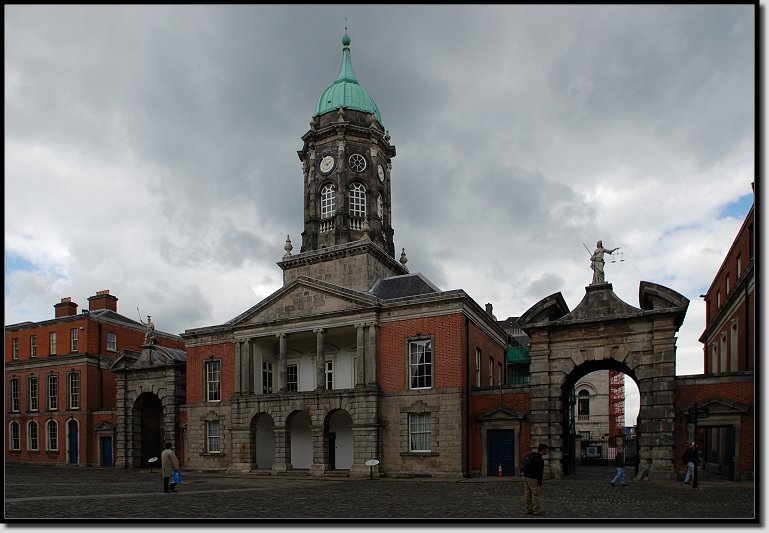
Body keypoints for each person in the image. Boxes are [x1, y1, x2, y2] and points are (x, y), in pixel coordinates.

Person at [522, 443, 549, 516]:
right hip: (533, 478)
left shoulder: (532, 455)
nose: (547, 451)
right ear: (542, 450)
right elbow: (540, 473)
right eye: (546, 449)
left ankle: (528, 509)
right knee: (535, 494)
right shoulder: (539, 459)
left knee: (527, 494)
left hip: (526, 476)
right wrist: (540, 484)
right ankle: (537, 510)